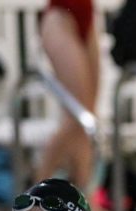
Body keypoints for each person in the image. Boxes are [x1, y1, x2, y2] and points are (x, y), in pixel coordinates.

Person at [37, 1, 100, 195]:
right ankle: (36, 190)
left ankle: (86, 197)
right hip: (60, 18)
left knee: (88, 115)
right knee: (76, 116)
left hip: (87, 18)